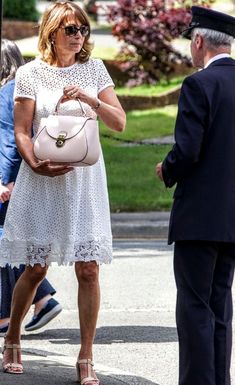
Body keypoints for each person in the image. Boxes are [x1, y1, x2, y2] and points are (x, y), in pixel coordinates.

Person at [0, 1, 126, 381]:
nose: (78, 36)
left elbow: (118, 122)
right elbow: (22, 131)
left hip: (85, 181)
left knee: (88, 269)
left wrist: (90, 100)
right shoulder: (30, 74)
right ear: (51, 32)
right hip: (42, 178)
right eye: (70, 29)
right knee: (36, 267)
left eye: (83, 30)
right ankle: (13, 337)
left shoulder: (95, 69)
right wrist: (35, 164)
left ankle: (85, 355)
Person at [156, 6, 235, 385]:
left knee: (194, 308)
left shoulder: (198, 85)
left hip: (200, 217)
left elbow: (188, 150)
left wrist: (166, 169)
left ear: (199, 41)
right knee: (221, 307)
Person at [0, 39, 62, 336]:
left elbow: (12, 140)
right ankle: (41, 299)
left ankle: (12, 313)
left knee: (8, 243)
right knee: (13, 243)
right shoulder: (24, 86)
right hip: (28, 173)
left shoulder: (7, 92)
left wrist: (5, 180)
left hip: (13, 178)